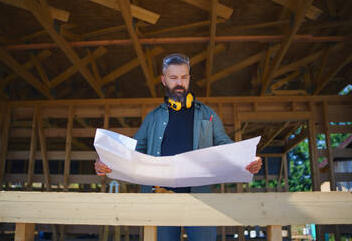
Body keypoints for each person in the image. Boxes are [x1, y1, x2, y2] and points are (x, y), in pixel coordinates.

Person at [95, 53, 262, 241]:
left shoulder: (208, 114)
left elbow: (224, 144)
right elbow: (133, 150)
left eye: (184, 77)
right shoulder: (153, 117)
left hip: (201, 197)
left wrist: (247, 158)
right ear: (163, 80)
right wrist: (107, 161)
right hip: (159, 197)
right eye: (173, 78)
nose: (179, 83)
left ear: (189, 78)